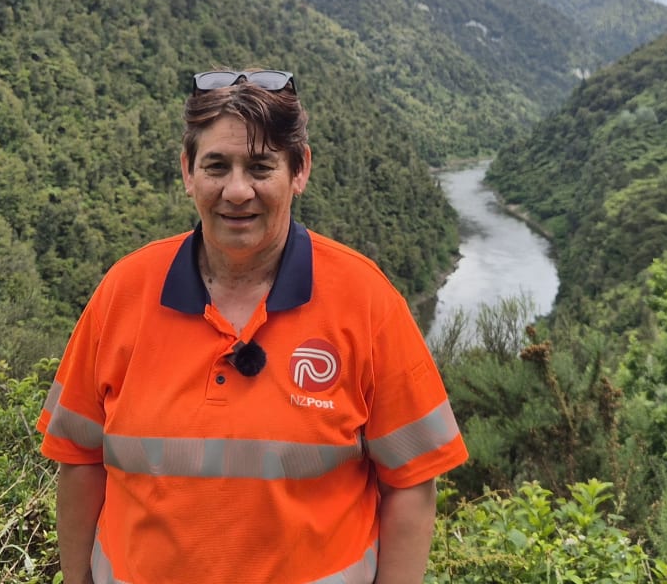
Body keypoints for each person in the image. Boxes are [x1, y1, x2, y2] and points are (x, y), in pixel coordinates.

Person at [37, 68, 468, 584]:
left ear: (300, 170)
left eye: (261, 167)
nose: (237, 191)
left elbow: (411, 483)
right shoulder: (123, 293)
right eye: (216, 166)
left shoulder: (367, 301)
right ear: (188, 172)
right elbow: (79, 460)